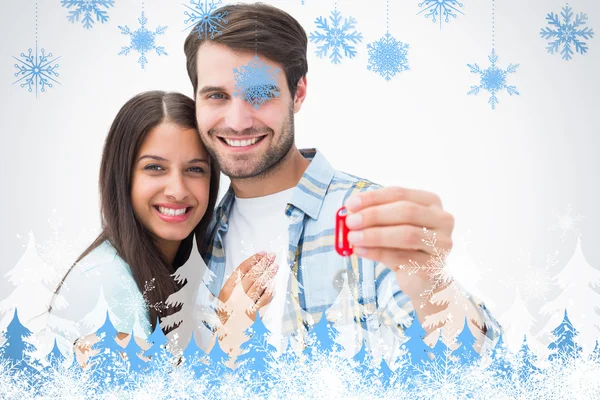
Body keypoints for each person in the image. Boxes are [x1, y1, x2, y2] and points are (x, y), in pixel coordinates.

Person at [183, 3, 501, 362]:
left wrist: (432, 285)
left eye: (259, 94)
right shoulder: (194, 232)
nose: (238, 122)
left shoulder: (367, 216)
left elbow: (472, 362)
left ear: (298, 92)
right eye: (217, 96)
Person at [45, 91, 277, 362]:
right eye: (155, 168)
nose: (177, 191)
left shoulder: (176, 271)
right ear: (122, 176)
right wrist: (229, 335)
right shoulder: (106, 282)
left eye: (195, 169)